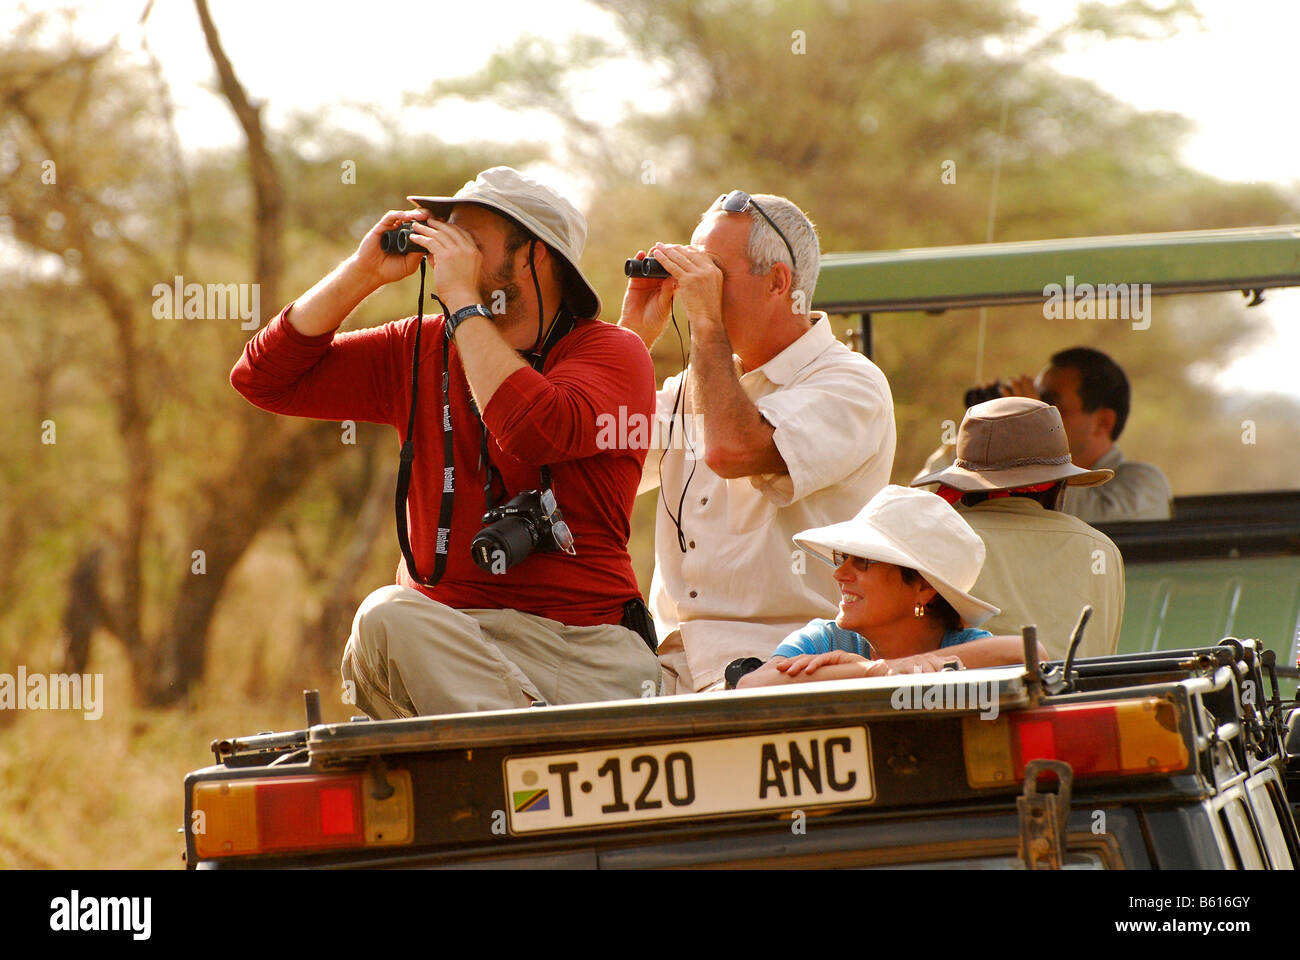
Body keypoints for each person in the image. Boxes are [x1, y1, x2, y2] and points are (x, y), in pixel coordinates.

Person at [230, 166, 660, 718]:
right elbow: (263, 379)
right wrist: (362, 273)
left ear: (535, 255)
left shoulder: (611, 352)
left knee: (391, 617)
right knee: (388, 618)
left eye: (469, 241)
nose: (446, 253)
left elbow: (532, 430)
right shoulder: (419, 348)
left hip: (579, 652)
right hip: (447, 643)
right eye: (444, 234)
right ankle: (523, 756)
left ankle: (524, 755)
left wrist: (461, 297)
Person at [618, 190, 896, 694]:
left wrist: (705, 326)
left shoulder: (850, 383)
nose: (695, 289)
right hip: (667, 662)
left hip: (789, 663)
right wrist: (630, 339)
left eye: (712, 273)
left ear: (777, 281)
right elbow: (598, 463)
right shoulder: (694, 385)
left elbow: (731, 450)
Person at [737, 485, 1037, 689]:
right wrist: (877, 671)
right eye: (843, 558)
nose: (839, 573)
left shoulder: (962, 645)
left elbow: (1029, 651)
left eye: (864, 561)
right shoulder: (827, 640)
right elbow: (750, 684)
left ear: (923, 587)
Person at [911, 396, 1126, 659]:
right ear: (1059, 484)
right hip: (1085, 699)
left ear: (962, 483)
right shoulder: (1101, 547)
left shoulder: (938, 541)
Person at [918, 347, 1171, 523]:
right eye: (1038, 401)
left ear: (1102, 422)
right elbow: (923, 505)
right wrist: (980, 434)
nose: (1038, 411)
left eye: (1049, 403)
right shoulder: (1020, 477)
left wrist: (1028, 433)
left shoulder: (1145, 483)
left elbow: (1091, 520)